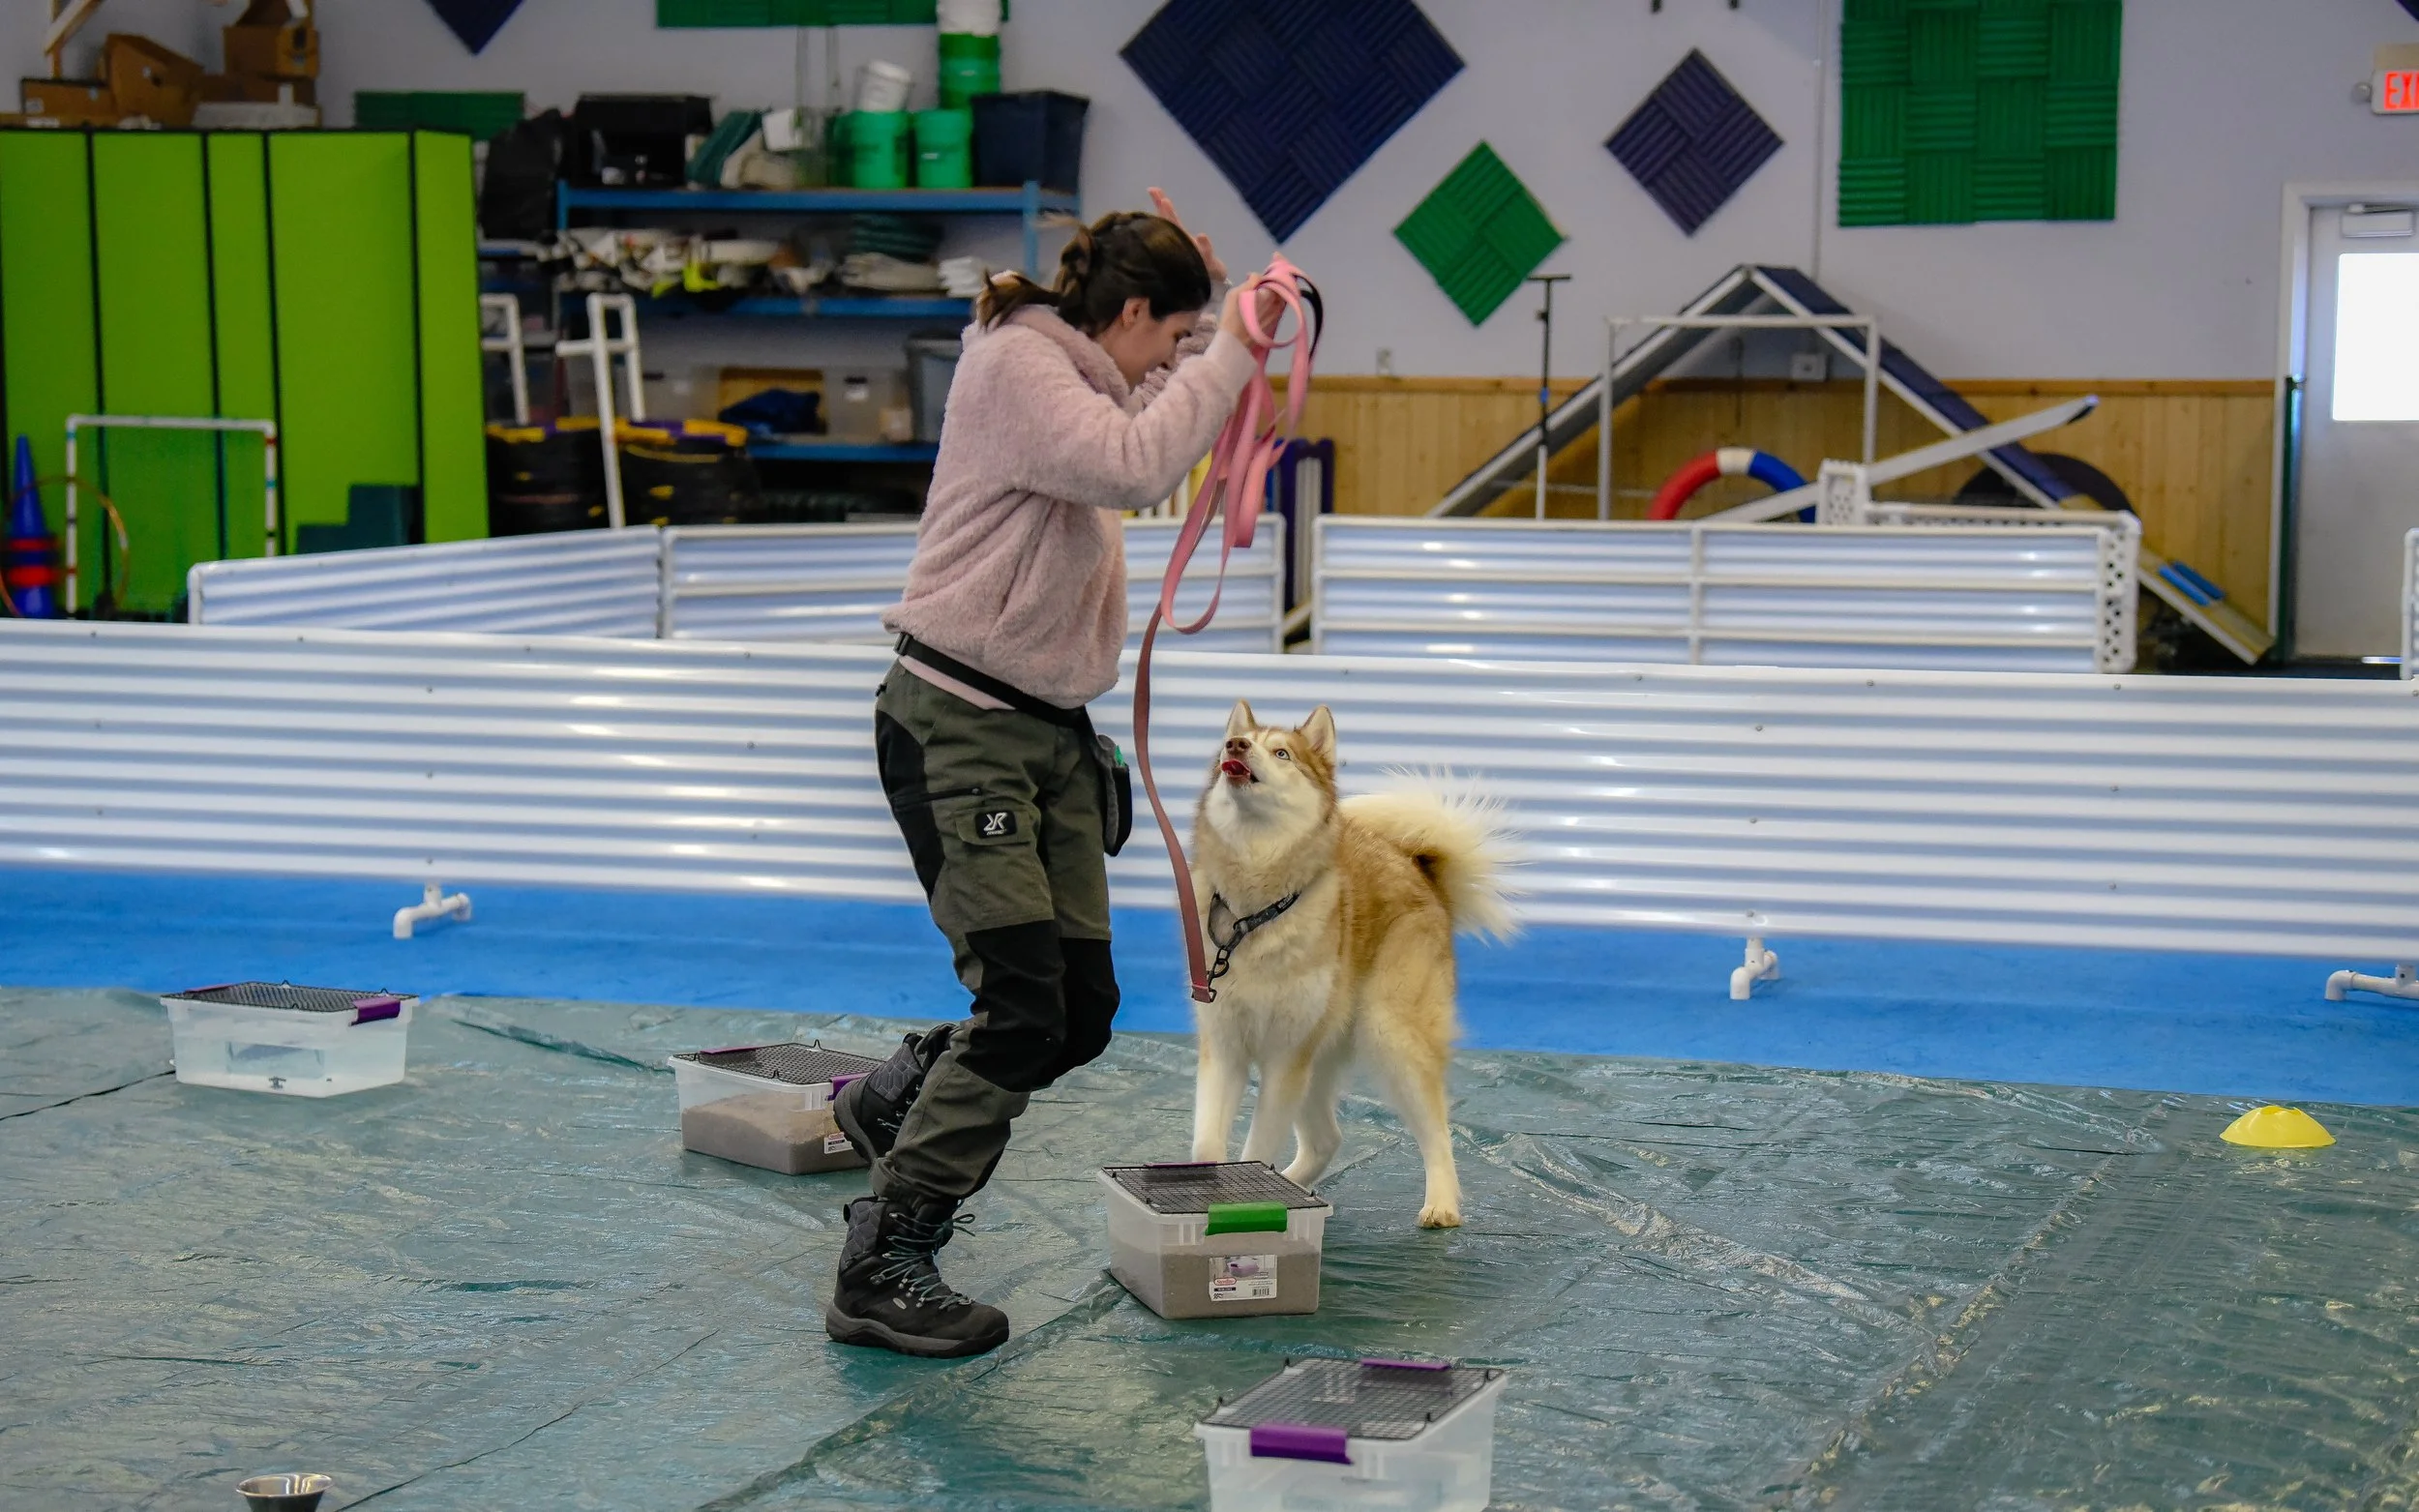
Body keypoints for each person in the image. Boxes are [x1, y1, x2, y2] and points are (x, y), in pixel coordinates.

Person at [825, 192, 1277, 1358]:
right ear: (1129, 311)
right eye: (1171, 334)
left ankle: (898, 1096)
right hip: (962, 722)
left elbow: (1137, 417)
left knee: (1077, 1015)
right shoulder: (1019, 364)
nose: (1178, 361)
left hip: (1046, 733)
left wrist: (1211, 331)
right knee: (1023, 1007)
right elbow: (1136, 462)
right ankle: (885, 1257)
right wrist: (1233, 350)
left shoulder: (1074, 366)